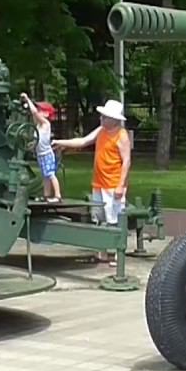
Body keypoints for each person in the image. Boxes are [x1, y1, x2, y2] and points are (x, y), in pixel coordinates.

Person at [52, 99, 130, 264]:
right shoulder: (101, 131)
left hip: (112, 183)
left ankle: (117, 254)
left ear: (115, 119)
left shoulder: (121, 136)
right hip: (99, 182)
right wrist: (61, 143)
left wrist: (120, 185)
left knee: (114, 218)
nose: (101, 119)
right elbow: (83, 141)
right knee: (100, 217)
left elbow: (126, 162)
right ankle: (101, 251)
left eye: (105, 117)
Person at [20, 92, 61, 203]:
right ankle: (46, 195)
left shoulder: (46, 124)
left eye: (41, 110)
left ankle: (57, 196)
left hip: (47, 154)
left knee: (51, 174)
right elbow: (34, 115)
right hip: (40, 154)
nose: (38, 111)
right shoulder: (38, 125)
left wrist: (28, 99)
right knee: (45, 176)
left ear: (47, 114)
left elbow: (34, 112)